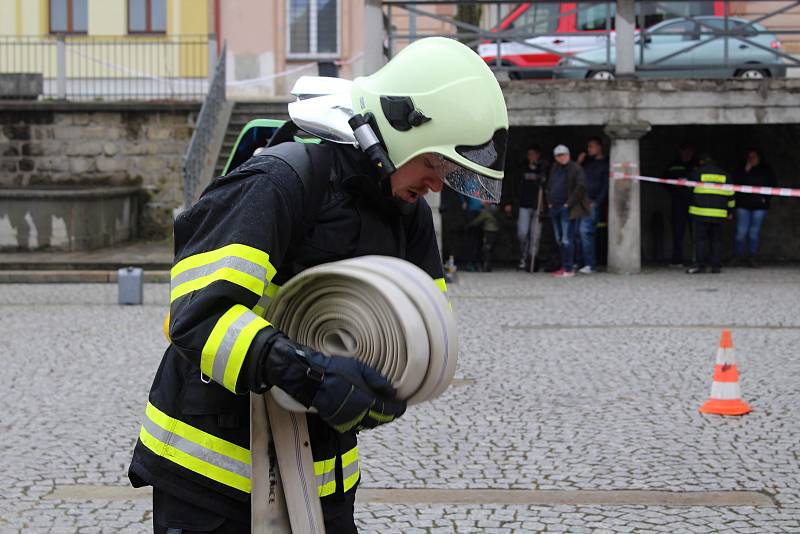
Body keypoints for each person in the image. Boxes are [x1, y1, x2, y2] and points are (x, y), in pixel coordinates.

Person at [127, 37, 509, 534]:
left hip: (322, 486)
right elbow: (198, 317)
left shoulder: (407, 215)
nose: (438, 184)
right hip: (209, 480)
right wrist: (308, 373)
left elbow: (425, 326)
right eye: (437, 163)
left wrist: (383, 391)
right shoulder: (279, 182)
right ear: (400, 127)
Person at [686, 154, 735, 274]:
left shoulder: (696, 174)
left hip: (700, 213)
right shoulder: (725, 175)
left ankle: (700, 266)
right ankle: (716, 266)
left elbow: (688, 191)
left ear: (701, 162)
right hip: (719, 214)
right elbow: (731, 196)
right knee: (716, 240)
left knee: (700, 240)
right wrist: (730, 211)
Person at [547, 144, 590, 278]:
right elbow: (549, 185)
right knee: (559, 239)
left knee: (567, 239)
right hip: (554, 207)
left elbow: (580, 187)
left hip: (567, 209)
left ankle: (568, 268)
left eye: (564, 154)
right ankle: (564, 266)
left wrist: (568, 204)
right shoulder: (554, 168)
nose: (562, 157)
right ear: (555, 158)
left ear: (568, 155)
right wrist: (549, 202)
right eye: (559, 156)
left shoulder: (576, 168)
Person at [732, 148, 776, 268]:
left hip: (760, 206)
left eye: (754, 157)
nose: (751, 159)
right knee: (741, 232)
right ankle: (737, 256)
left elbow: (773, 186)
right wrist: (746, 171)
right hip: (743, 205)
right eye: (749, 157)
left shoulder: (766, 170)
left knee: (754, 232)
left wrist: (765, 199)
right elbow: (734, 183)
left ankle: (752, 257)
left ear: (759, 157)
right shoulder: (741, 169)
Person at [507, 146, 548, 272]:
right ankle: (523, 258)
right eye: (529, 154)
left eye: (534, 154)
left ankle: (532, 259)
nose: (531, 157)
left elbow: (547, 188)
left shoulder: (542, 171)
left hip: (537, 207)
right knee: (522, 233)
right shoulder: (521, 170)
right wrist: (509, 202)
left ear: (538, 155)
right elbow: (513, 186)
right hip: (523, 206)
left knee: (535, 236)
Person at [575, 137, 608, 274]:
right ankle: (580, 262)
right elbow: (575, 176)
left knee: (585, 231)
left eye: (591, 147)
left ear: (599, 147)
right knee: (578, 233)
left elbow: (606, 186)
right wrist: (579, 162)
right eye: (588, 147)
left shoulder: (605, 164)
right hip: (581, 202)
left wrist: (597, 202)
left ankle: (590, 264)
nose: (589, 150)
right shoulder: (587, 164)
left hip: (592, 202)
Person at [664, 143, 697, 267]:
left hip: (694, 202)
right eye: (684, 151)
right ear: (680, 152)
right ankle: (677, 259)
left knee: (696, 232)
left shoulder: (697, 165)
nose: (687, 154)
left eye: (689, 151)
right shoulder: (673, 166)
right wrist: (674, 187)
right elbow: (664, 180)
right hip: (677, 203)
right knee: (678, 232)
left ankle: (697, 259)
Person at [466, 200, 500, 272]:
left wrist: (469, 225)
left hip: (488, 231)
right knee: (489, 249)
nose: (481, 202)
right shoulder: (495, 210)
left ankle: (487, 266)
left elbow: (478, 221)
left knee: (486, 249)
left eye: (483, 201)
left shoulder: (485, 211)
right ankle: (488, 265)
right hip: (495, 231)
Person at [460, 192, 484, 271]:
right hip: (471, 212)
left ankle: (478, 262)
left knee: (480, 239)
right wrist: (463, 201)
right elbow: (461, 192)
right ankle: (470, 263)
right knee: (471, 239)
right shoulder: (467, 182)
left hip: (482, 211)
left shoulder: (483, 182)